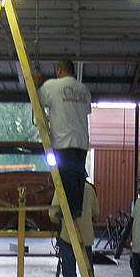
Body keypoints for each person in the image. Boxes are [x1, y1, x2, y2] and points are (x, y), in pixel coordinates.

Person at [34, 59, 91, 219]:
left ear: (59, 70)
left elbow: (37, 100)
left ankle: (69, 210)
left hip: (63, 140)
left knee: (66, 177)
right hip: (82, 141)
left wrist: (37, 83)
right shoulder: (84, 90)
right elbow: (86, 110)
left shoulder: (52, 86)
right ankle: (76, 208)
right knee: (78, 176)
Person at [49, 180, 99, 277]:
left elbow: (52, 214)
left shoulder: (62, 187)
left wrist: (60, 219)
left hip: (68, 236)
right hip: (86, 236)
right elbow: (96, 211)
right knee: (88, 271)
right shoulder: (90, 189)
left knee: (69, 271)